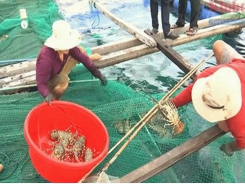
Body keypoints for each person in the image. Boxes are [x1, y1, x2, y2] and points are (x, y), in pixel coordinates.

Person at [171, 40, 245, 156]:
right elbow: (193, 89)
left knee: (224, 127)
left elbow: (242, 144)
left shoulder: (238, 118)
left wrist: (229, 148)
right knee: (218, 45)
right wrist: (171, 104)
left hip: (239, 80)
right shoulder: (212, 73)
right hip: (240, 67)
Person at [36, 20, 107, 103]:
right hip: (50, 79)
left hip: (60, 68)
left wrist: (97, 73)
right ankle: (56, 98)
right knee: (63, 81)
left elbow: (83, 58)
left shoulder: (68, 48)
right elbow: (41, 84)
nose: (67, 46)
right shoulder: (45, 59)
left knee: (80, 51)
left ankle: (90, 58)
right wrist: (47, 94)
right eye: (64, 44)